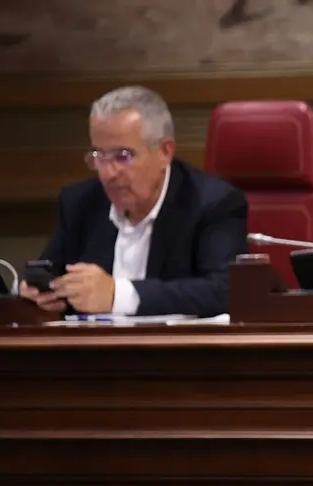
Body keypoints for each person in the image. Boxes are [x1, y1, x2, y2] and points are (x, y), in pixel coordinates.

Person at [19, 86, 248, 317]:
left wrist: (116, 295)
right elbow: (50, 274)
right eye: (99, 155)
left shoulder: (212, 202)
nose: (108, 173)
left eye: (123, 156)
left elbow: (226, 291)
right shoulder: (80, 203)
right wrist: (40, 293)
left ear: (164, 152)